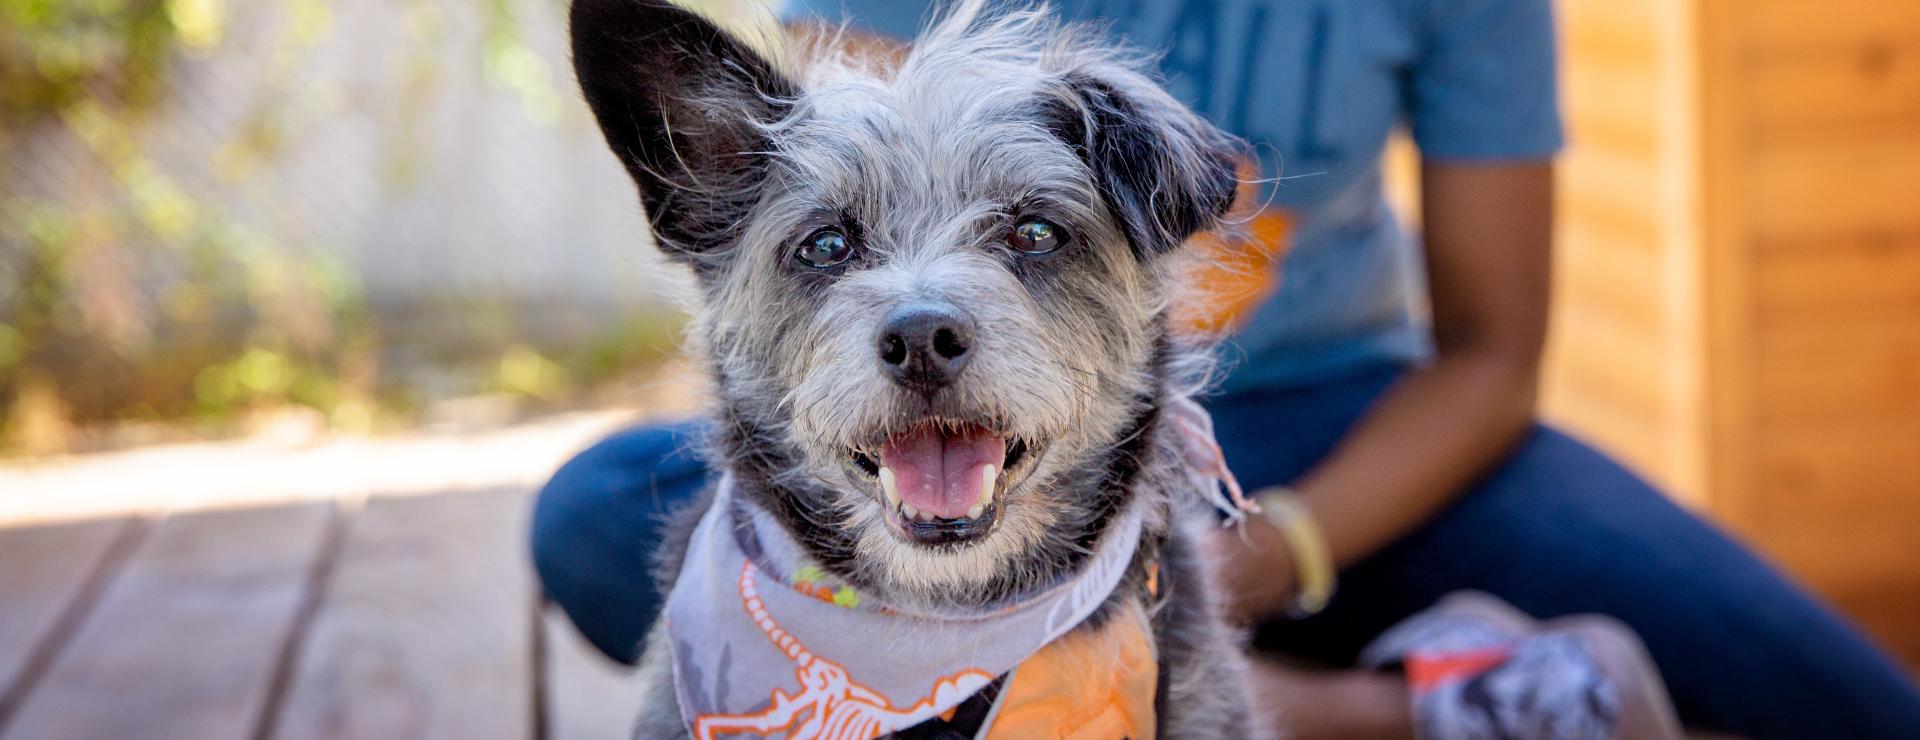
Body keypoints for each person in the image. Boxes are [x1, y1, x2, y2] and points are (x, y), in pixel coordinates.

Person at [532, 1, 1920, 737]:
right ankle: (1371, 709)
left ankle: (1161, 674)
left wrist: (1272, 555)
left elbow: (1494, 358)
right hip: (965, 447)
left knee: (1853, 703)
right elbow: (851, 230)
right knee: (606, 517)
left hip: (1355, 415)